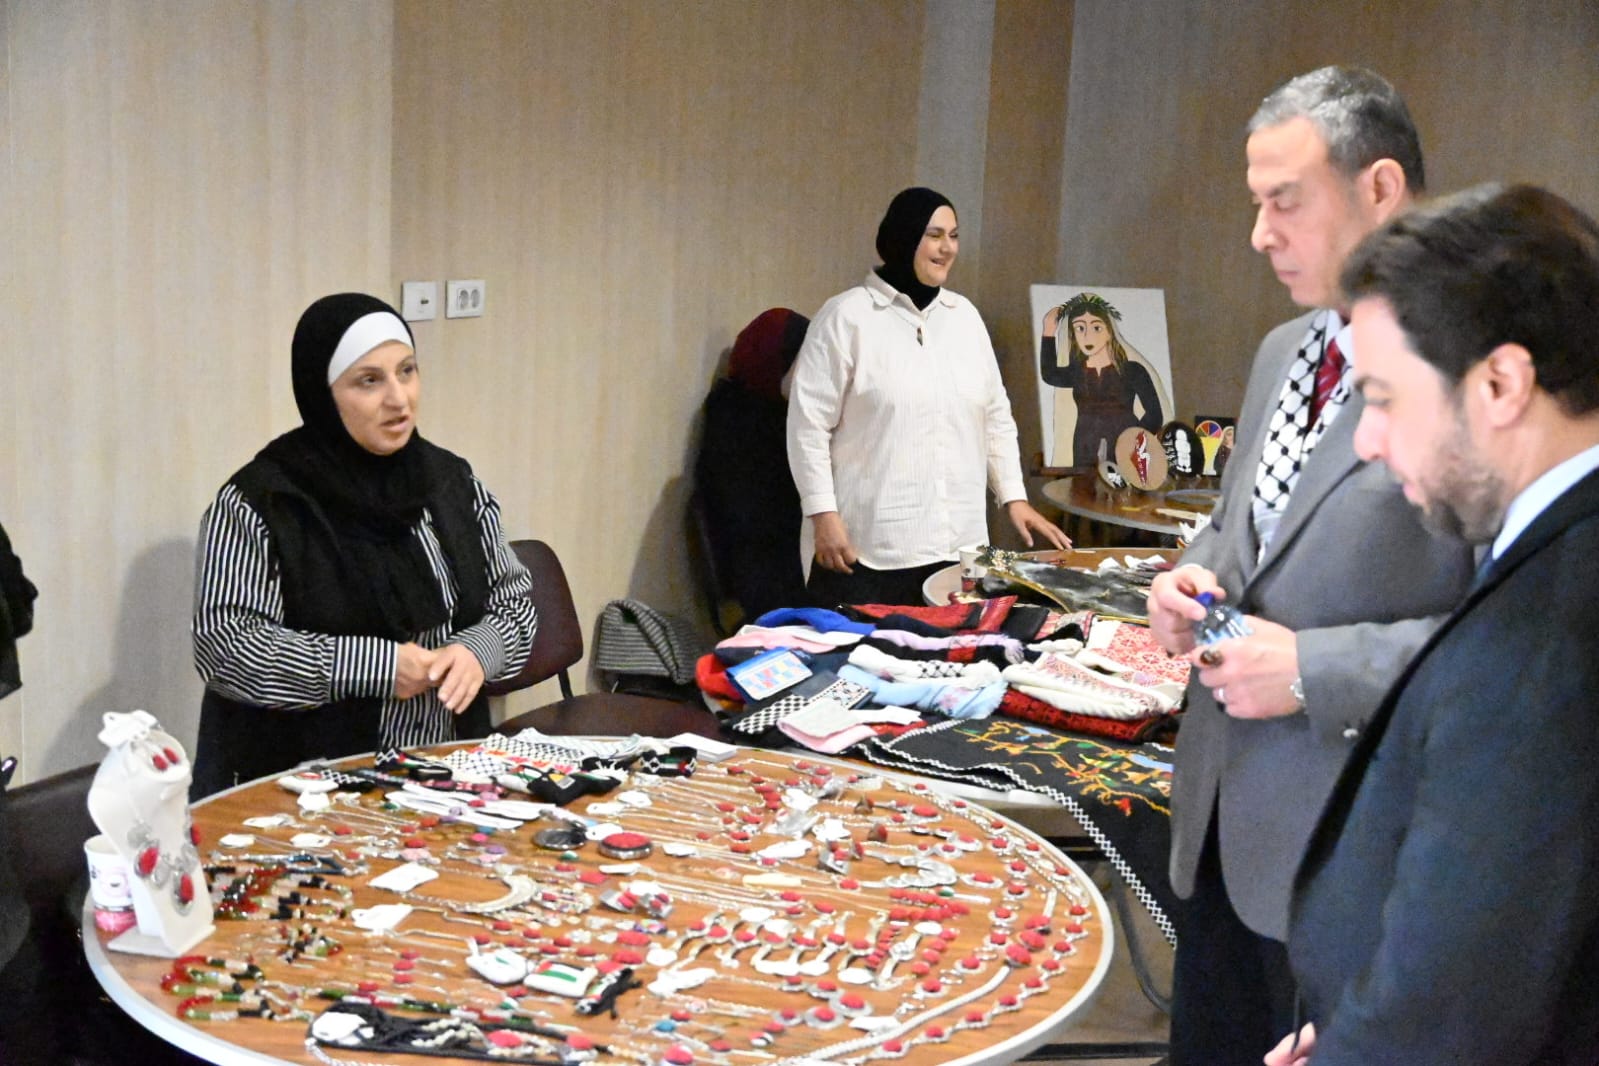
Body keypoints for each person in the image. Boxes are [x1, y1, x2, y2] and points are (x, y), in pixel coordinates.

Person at [1143, 67, 1476, 1064]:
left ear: (1379, 188)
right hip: (1214, 822)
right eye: (1256, 204)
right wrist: (1187, 579)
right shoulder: (1283, 349)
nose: (1260, 235)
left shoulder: (1478, 371)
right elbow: (1239, 529)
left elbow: (1510, 638)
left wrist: (1310, 671)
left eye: (1284, 201)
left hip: (1349, 848)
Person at [1264, 183, 1599, 1066]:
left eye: (1382, 397)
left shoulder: (1546, 636)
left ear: (1499, 383)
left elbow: (1455, 1019)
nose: (1367, 441)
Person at [191, 293, 537, 796]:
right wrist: (376, 667)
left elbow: (516, 603)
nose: (399, 399)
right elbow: (226, 647)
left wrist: (477, 650)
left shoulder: (451, 483)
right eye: (369, 381)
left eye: (407, 371)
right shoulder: (261, 503)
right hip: (308, 791)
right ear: (323, 394)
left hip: (446, 773)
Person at [786, 186, 1068, 607]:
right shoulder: (846, 317)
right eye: (934, 235)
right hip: (868, 551)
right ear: (903, 237)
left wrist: (1014, 496)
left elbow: (995, 417)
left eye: (954, 236)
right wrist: (822, 514)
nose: (947, 248)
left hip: (960, 549)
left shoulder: (965, 318)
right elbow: (807, 427)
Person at [695, 308, 810, 620]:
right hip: (767, 579)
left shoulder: (738, 408)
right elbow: (768, 519)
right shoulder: (746, 427)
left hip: (770, 565)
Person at [1040, 292, 1164, 469]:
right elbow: (1049, 374)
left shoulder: (1132, 370)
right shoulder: (1077, 372)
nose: (1087, 336)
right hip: (1085, 449)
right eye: (1080, 328)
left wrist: (1133, 442)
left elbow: (1155, 415)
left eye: (1096, 328)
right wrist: (1048, 331)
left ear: (1109, 331)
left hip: (1125, 453)